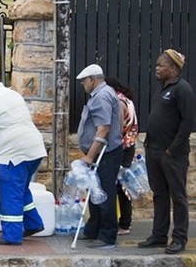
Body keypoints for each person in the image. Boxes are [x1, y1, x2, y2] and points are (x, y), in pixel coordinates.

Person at [0, 68, 47, 246]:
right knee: (20, 189)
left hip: (14, 153)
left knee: (8, 191)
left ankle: (12, 235)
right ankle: (33, 223)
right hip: (34, 149)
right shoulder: (13, 94)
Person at [138, 49, 194, 254]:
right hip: (154, 150)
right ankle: (159, 235)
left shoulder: (182, 89)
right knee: (159, 194)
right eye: (157, 65)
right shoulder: (162, 89)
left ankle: (179, 238)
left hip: (172, 154)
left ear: (173, 68)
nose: (157, 68)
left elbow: (188, 122)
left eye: (161, 65)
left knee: (177, 196)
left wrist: (173, 149)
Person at [75, 64, 123, 249]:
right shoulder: (105, 93)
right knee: (95, 192)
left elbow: (103, 129)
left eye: (83, 81)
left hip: (105, 153)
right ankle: (93, 229)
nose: (82, 85)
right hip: (103, 152)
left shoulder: (102, 96)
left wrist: (90, 156)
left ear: (92, 80)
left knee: (103, 193)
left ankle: (107, 235)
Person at [105, 77, 139, 236]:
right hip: (129, 146)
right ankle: (125, 222)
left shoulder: (118, 103)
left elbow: (116, 130)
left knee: (120, 187)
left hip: (122, 148)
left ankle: (124, 224)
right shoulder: (127, 100)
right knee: (122, 186)